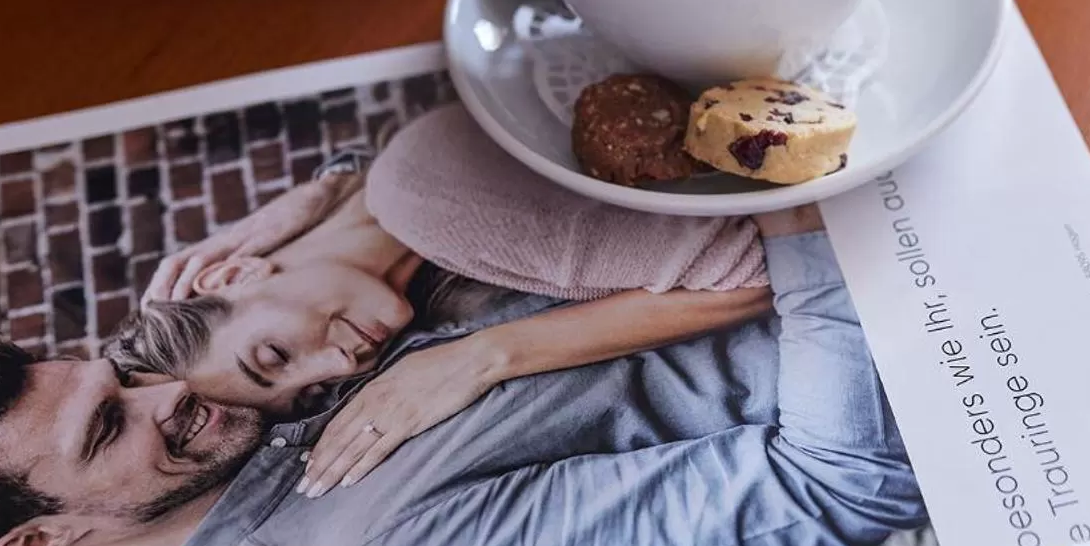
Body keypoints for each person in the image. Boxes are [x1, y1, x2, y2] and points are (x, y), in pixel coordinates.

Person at [0, 208, 927, 546]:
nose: (163, 389)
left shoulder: (250, 389)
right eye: (107, 427)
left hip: (884, 231)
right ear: (39, 539)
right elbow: (841, 480)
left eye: (115, 375)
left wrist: (306, 215)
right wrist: (800, 205)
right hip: (939, 341)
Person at [109, 105, 772, 491]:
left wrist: (484, 358)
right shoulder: (419, 230)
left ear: (226, 277)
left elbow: (764, 273)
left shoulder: (431, 211)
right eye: (307, 396)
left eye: (275, 354)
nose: (339, 369)